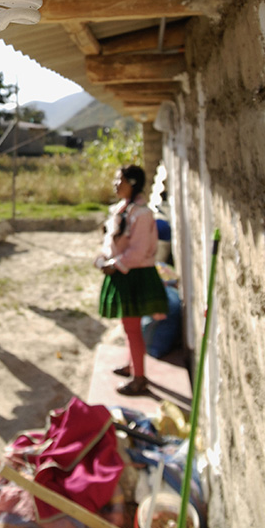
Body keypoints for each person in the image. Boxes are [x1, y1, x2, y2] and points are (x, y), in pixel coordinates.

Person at [94, 164, 168, 396]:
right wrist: (104, 257)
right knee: (129, 326)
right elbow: (111, 241)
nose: (116, 185)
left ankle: (139, 378)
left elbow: (139, 251)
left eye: (121, 181)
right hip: (125, 272)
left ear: (133, 184)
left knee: (132, 327)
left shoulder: (142, 214)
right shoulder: (122, 210)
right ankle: (132, 365)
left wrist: (115, 264)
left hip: (134, 274)